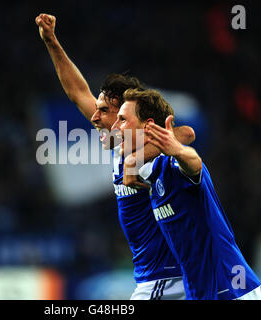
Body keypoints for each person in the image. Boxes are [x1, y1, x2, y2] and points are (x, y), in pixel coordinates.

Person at [35, 13, 197, 299]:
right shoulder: (116, 138)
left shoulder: (143, 141)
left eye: (104, 111)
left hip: (166, 280)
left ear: (126, 115)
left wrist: (137, 158)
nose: (94, 118)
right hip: (155, 277)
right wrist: (51, 41)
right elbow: (77, 91)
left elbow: (186, 135)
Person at [112, 88, 261, 299]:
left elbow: (194, 164)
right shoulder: (149, 175)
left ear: (147, 127)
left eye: (123, 120)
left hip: (232, 287)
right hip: (199, 290)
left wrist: (179, 150)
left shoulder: (172, 164)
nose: (116, 127)